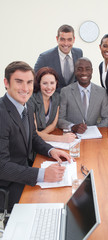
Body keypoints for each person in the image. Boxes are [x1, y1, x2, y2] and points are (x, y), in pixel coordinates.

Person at [0, 61, 72, 212]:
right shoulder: (2, 113)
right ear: (6, 82)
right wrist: (42, 174)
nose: (25, 89)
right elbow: (2, 167)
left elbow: (33, 136)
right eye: (19, 82)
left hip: (24, 171)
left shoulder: (27, 105)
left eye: (29, 82)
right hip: (7, 185)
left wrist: (51, 150)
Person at [58, 57, 108, 133]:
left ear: (92, 71)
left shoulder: (102, 92)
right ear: (75, 71)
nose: (84, 73)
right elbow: (60, 119)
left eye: (87, 69)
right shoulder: (65, 91)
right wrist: (72, 127)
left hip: (95, 137)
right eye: (79, 69)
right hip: (72, 136)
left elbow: (107, 118)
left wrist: (94, 130)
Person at [28, 67, 76, 143]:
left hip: (43, 140)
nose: (49, 87)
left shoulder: (56, 97)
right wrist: (61, 138)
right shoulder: (31, 100)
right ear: (39, 83)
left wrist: (41, 136)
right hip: (30, 143)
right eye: (45, 83)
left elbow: (53, 125)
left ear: (56, 82)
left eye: (52, 83)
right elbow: (34, 132)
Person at [34, 24, 83, 92]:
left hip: (73, 98)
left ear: (73, 39)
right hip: (53, 99)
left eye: (69, 39)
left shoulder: (79, 53)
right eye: (62, 39)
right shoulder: (44, 57)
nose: (66, 43)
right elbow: (35, 82)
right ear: (57, 39)